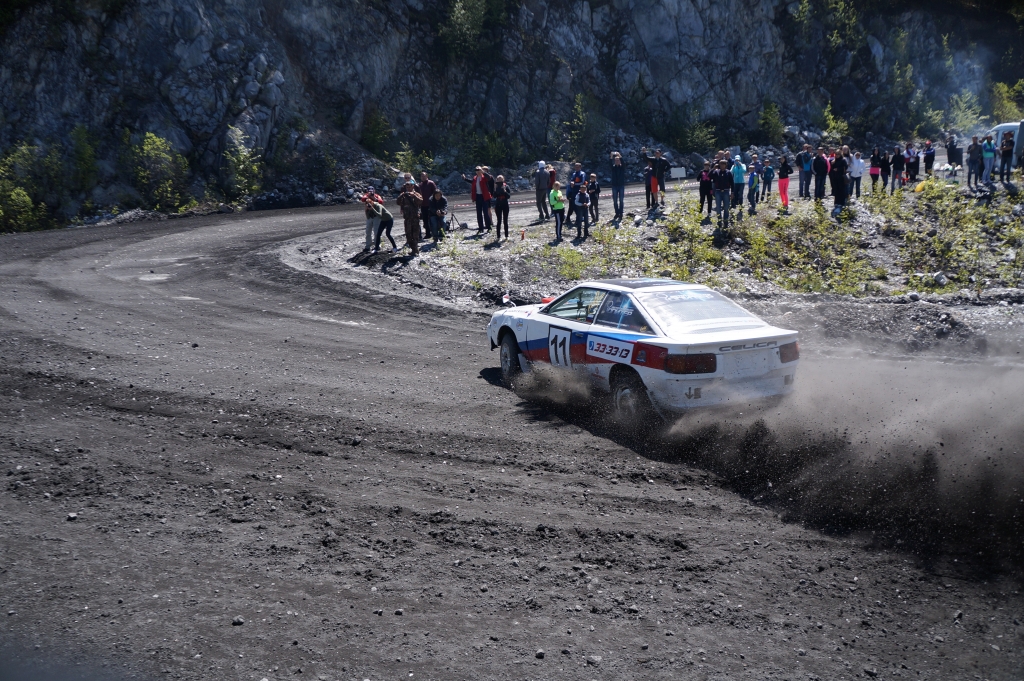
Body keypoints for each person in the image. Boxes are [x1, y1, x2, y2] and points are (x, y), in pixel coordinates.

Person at [396, 182, 424, 255]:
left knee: (415, 234)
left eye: (409, 187)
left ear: (412, 187)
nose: (408, 188)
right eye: (407, 187)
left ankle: (415, 249)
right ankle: (413, 249)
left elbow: (420, 201)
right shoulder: (404, 195)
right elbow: (398, 202)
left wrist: (414, 195)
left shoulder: (417, 194)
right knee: (408, 234)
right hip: (407, 217)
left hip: (415, 217)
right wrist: (400, 196)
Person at [463, 166, 493, 232]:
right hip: (478, 197)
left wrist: (483, 172)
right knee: (479, 213)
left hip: (484, 196)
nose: (477, 171)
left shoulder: (484, 177)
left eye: (478, 170)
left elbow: (489, 178)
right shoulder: (475, 178)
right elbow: (472, 182)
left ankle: (489, 227)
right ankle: (481, 228)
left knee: (485, 213)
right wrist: (465, 179)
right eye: (476, 170)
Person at [710, 159, 733, 229]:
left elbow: (732, 183)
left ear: (726, 165)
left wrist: (732, 192)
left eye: (723, 164)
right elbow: (709, 175)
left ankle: (726, 222)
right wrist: (713, 168)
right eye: (721, 164)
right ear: (719, 165)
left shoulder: (728, 173)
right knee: (718, 208)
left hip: (726, 191)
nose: (722, 166)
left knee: (726, 208)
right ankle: (719, 222)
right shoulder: (716, 172)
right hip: (718, 192)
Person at [361, 186, 384, 252]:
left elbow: (381, 202)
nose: (371, 192)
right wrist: (368, 195)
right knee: (368, 231)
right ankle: (368, 246)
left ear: (374, 190)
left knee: (376, 232)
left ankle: (377, 245)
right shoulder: (366, 195)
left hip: (376, 215)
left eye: (372, 190)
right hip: (369, 216)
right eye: (369, 190)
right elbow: (363, 199)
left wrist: (374, 197)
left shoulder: (377, 196)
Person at [417, 172, 437, 240]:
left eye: (424, 176)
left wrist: (435, 202)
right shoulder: (420, 185)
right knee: (425, 220)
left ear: (427, 176)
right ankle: (427, 234)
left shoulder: (431, 183)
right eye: (421, 176)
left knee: (432, 219)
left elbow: (435, 192)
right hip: (423, 205)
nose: (423, 177)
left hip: (430, 205)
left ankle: (434, 233)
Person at [493, 175, 512, 241]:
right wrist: (495, 189)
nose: (500, 181)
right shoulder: (496, 187)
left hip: (505, 204)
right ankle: (498, 235)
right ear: (497, 180)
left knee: (505, 220)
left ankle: (506, 235)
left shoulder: (506, 186)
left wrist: (504, 191)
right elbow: (494, 196)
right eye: (498, 180)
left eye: (501, 180)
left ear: (503, 180)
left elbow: (508, 196)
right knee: (499, 220)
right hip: (498, 205)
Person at [830, 150, 849, 215]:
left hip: (841, 178)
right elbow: (832, 169)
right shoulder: (834, 161)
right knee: (836, 190)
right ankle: (836, 202)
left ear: (840, 154)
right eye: (836, 154)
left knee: (841, 190)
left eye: (838, 154)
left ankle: (841, 203)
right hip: (835, 178)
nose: (837, 155)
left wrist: (838, 169)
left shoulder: (843, 160)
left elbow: (846, 167)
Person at [610, 152, 626, 220]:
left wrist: (620, 156)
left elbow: (623, 162)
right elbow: (609, 163)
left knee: (621, 200)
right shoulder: (613, 168)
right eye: (615, 160)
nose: (617, 161)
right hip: (614, 186)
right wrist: (611, 156)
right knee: (615, 200)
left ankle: (621, 212)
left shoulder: (622, 167)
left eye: (618, 160)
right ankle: (617, 212)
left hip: (621, 185)